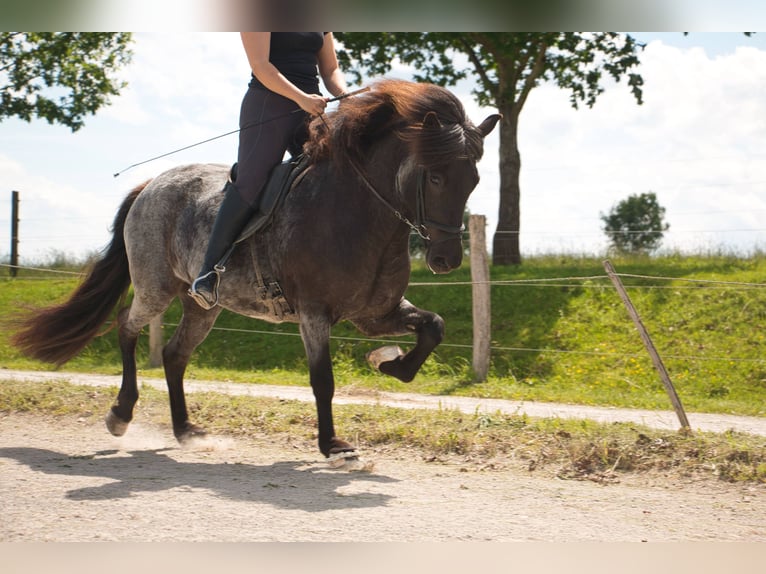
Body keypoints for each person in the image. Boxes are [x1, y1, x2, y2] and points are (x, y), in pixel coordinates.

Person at [188, 32, 349, 309]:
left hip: (311, 107)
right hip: (268, 104)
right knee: (251, 183)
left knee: (339, 175)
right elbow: (261, 66)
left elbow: (330, 69)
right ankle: (207, 272)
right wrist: (300, 98)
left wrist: (344, 95)